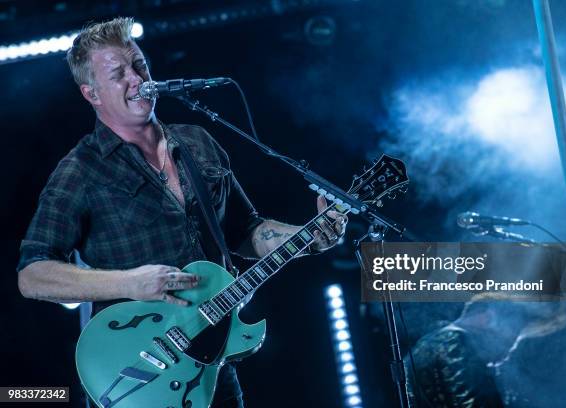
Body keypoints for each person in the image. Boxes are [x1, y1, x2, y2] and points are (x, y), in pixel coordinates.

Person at [17, 17, 347, 408]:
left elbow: (246, 230)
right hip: (138, 374)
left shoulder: (197, 142)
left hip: (212, 362)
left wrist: (308, 236)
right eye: (118, 74)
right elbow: (33, 275)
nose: (137, 78)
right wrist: (129, 285)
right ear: (92, 93)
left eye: (139, 64)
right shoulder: (81, 169)